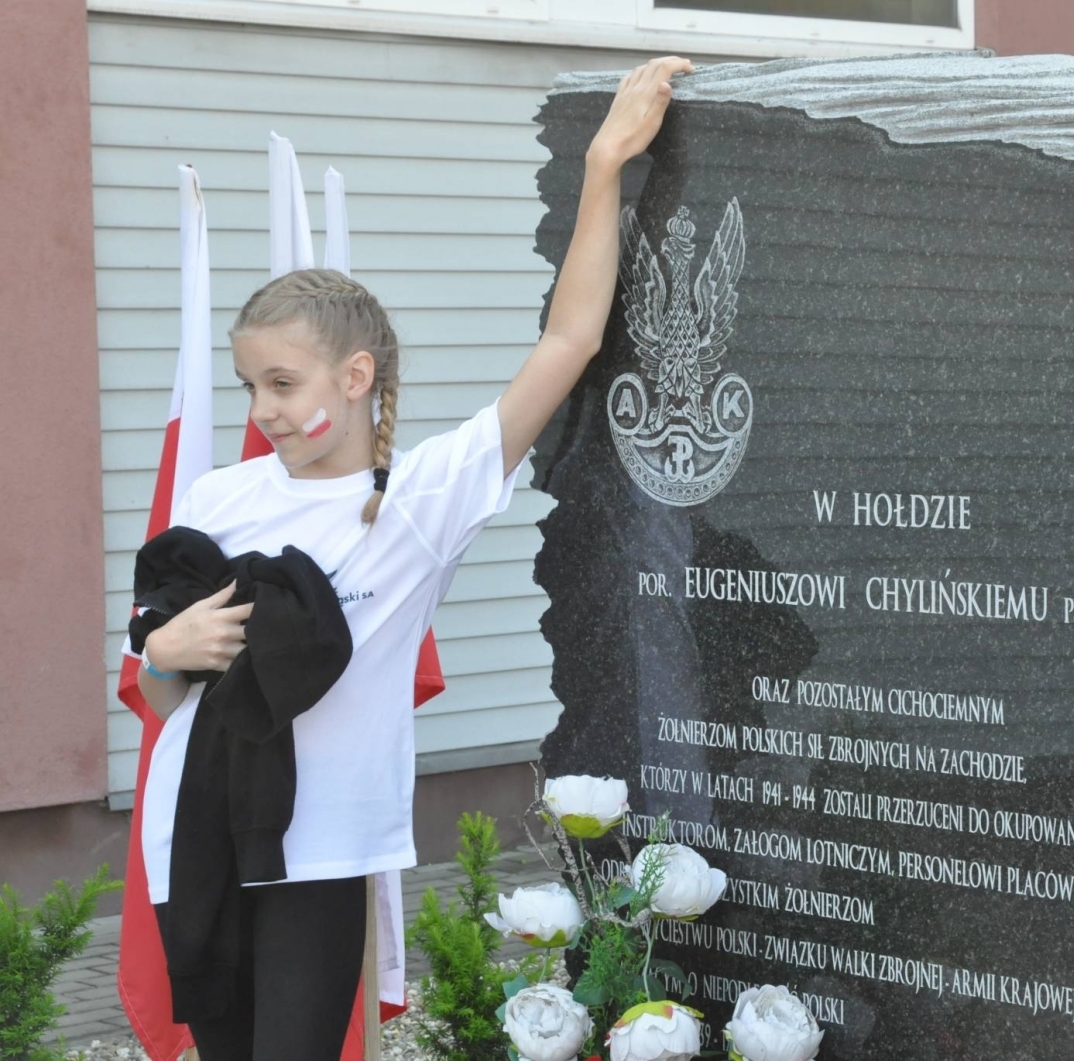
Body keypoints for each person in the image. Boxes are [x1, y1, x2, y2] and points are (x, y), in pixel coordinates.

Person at [128, 55, 694, 1061]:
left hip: (321, 850)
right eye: (249, 383)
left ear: (355, 377)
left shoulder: (420, 499)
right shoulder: (218, 500)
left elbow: (567, 344)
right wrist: (164, 648)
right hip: (198, 836)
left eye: (282, 382)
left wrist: (605, 164)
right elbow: (171, 696)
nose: (261, 410)